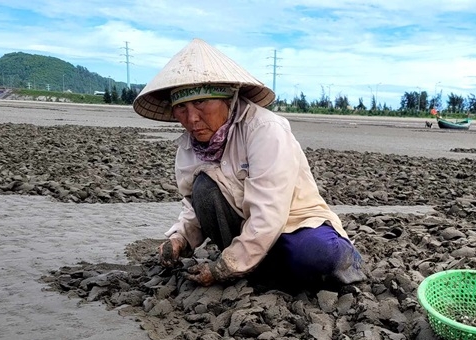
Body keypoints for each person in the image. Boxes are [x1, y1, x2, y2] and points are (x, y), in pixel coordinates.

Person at [133, 39, 366, 290]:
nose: (191, 118)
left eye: (201, 103)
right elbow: (194, 206)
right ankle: (256, 267)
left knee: (318, 255)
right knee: (203, 187)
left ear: (227, 99)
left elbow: (270, 212)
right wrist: (180, 239)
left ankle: (339, 263)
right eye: (181, 107)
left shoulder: (264, 129)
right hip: (246, 227)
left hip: (294, 223)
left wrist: (225, 267)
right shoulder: (189, 148)